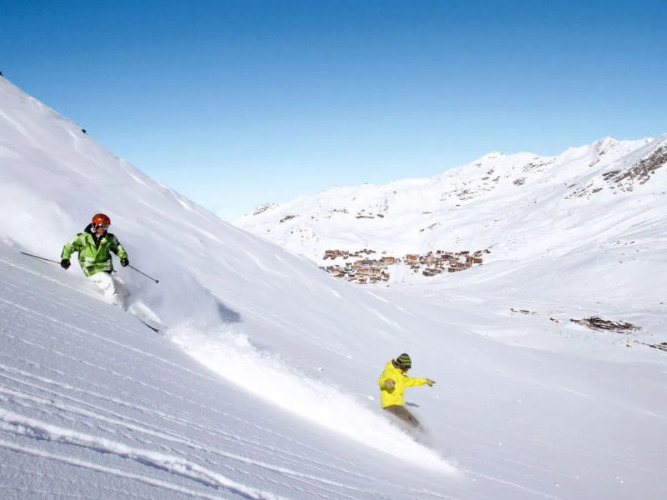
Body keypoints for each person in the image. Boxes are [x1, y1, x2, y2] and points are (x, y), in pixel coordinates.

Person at [60, 213, 129, 306]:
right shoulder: (83, 238)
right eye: (103, 226)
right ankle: (114, 306)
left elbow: (118, 248)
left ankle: (130, 306)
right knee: (108, 282)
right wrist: (65, 259)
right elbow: (69, 247)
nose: (105, 229)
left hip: (106, 267)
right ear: (95, 225)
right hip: (91, 267)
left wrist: (123, 257)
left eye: (107, 226)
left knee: (122, 286)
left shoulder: (110, 238)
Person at [378, 353, 435, 429]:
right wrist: (387, 382)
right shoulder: (390, 372)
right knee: (412, 425)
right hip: (391, 406)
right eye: (406, 368)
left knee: (415, 424)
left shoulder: (400, 376)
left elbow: (411, 381)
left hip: (397, 406)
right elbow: (381, 380)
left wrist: (425, 381)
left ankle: (418, 435)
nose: (407, 370)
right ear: (401, 365)